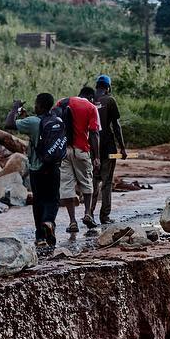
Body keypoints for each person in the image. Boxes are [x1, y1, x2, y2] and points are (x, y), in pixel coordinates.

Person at [5, 93, 59, 247]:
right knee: (53, 199)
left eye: (36, 104)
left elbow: (9, 124)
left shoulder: (33, 122)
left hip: (37, 168)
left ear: (40, 106)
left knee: (38, 201)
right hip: (54, 166)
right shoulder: (56, 119)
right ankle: (49, 222)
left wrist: (15, 107)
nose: (34, 106)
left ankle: (40, 237)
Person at [57, 88, 101, 233]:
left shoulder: (61, 102)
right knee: (86, 182)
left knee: (67, 186)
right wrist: (97, 157)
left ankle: (72, 222)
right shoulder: (91, 107)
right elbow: (94, 134)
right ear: (90, 97)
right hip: (82, 150)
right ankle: (88, 213)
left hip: (63, 151)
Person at [91, 74, 127, 224]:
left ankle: (89, 214)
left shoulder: (89, 101)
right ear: (108, 87)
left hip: (91, 149)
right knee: (106, 183)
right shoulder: (110, 100)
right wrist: (122, 148)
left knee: (92, 182)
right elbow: (116, 126)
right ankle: (104, 216)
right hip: (108, 148)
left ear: (97, 86)